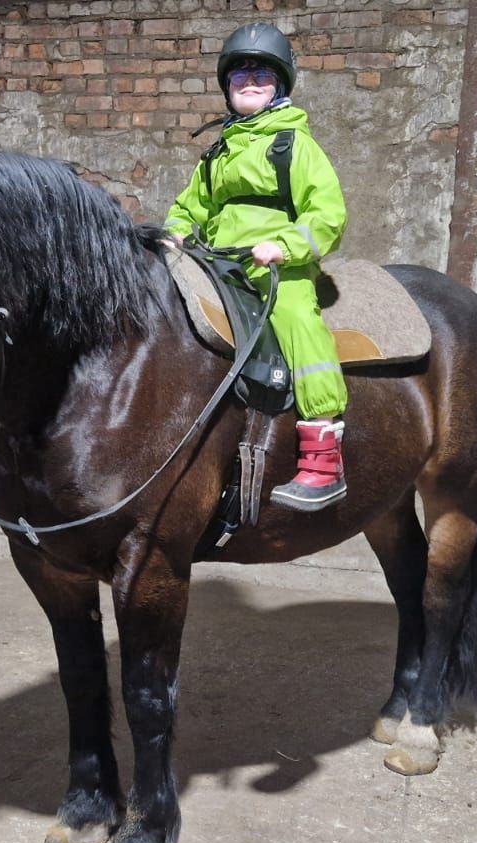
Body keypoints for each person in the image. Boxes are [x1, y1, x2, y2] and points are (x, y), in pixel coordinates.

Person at [164, 23, 350, 512]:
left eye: (262, 72)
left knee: (298, 322)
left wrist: (284, 246)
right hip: (216, 261)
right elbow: (190, 207)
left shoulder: (294, 144)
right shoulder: (218, 152)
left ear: (280, 84)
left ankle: (323, 457)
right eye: (241, 72)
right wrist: (175, 230)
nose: (250, 79)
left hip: (274, 266)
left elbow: (327, 215)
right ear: (227, 85)